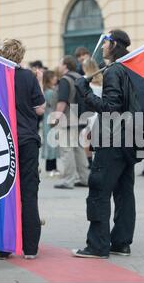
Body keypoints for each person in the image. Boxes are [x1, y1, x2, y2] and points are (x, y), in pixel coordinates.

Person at [72, 30, 139, 259]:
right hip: (130, 141)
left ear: (114, 45)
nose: (102, 47)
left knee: (99, 190)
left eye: (106, 43)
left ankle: (98, 245)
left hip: (113, 140)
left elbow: (110, 109)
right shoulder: (130, 69)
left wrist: (85, 92)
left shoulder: (114, 71)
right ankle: (121, 242)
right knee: (124, 193)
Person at [0, 38, 46, 260]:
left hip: (2, 142)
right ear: (21, 55)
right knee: (28, 192)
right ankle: (30, 248)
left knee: (3, 191)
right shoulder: (28, 76)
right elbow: (40, 109)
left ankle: (3, 247)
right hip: (27, 140)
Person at [52, 55, 90, 190]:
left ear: (65, 65)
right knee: (79, 149)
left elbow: (62, 101)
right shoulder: (80, 78)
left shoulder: (65, 80)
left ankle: (68, 180)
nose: (58, 65)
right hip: (80, 117)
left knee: (67, 150)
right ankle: (85, 178)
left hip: (67, 120)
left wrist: (55, 118)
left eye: (60, 63)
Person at [81, 58, 103, 168]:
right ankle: (96, 160)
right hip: (100, 111)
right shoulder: (101, 79)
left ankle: (90, 162)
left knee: (86, 137)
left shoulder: (85, 79)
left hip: (90, 112)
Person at [42, 70, 60, 177]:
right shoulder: (50, 92)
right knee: (52, 143)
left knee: (50, 142)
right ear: (49, 79)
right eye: (53, 77)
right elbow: (54, 106)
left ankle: (51, 167)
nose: (55, 79)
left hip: (47, 118)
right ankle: (51, 167)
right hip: (51, 118)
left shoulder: (46, 91)